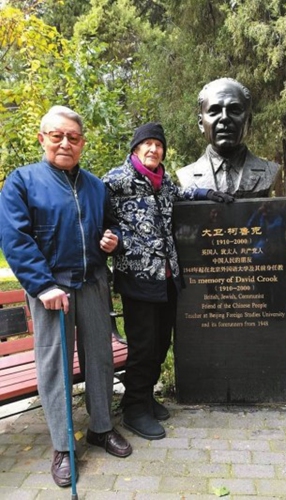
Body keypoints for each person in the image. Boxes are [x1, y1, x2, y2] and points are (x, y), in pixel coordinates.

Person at [0, 105, 132, 488]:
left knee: (100, 358)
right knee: (55, 367)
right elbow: (15, 239)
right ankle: (62, 446)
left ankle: (101, 429)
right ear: (42, 138)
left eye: (73, 137)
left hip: (92, 283)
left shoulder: (94, 184)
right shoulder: (22, 181)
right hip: (51, 290)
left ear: (82, 143)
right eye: (57, 135)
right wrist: (42, 285)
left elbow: (111, 223)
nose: (65, 143)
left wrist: (113, 239)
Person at [102, 122, 233, 441]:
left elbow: (183, 194)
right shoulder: (115, 181)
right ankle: (134, 409)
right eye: (146, 144)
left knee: (160, 345)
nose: (153, 149)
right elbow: (102, 220)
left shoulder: (164, 182)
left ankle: (146, 397)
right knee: (144, 347)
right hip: (137, 276)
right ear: (135, 149)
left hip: (168, 276)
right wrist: (115, 241)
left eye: (158, 145)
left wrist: (208, 194)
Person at [177, 77, 280, 198]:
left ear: (248, 121)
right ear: (201, 123)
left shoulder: (269, 171)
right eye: (214, 111)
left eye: (234, 110)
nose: (224, 118)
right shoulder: (186, 175)